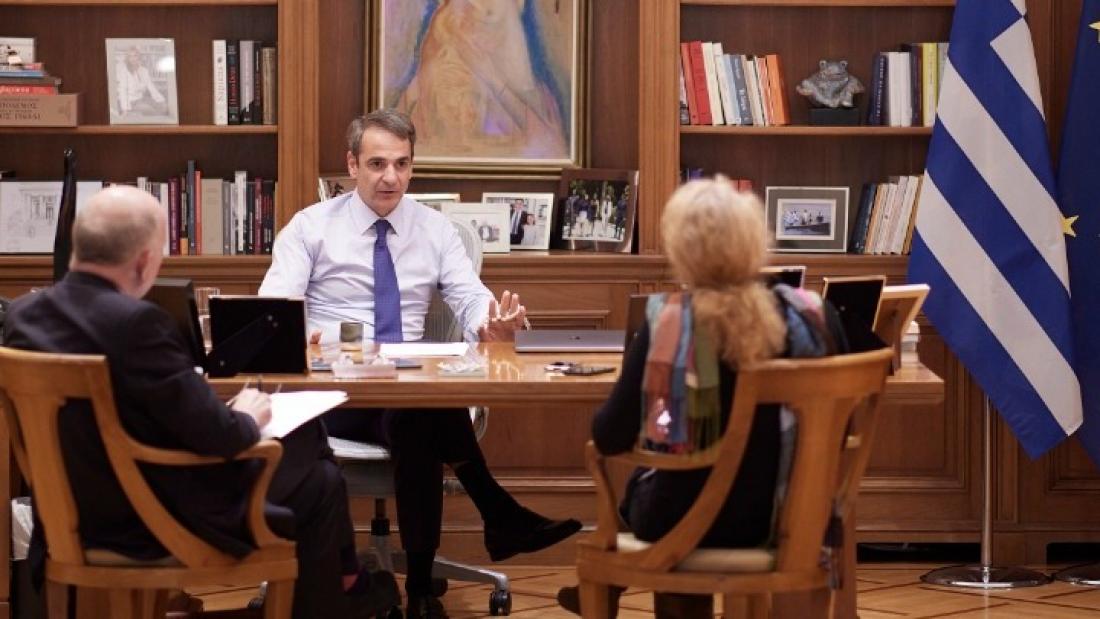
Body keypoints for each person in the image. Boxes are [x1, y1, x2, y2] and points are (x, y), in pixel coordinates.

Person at [2, 187, 400, 619]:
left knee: (317, 464)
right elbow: (220, 436)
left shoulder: (23, 316)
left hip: (72, 515)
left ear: (79, 245)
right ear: (144, 261)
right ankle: (339, 595)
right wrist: (246, 415)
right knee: (317, 468)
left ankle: (344, 592)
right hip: (150, 519)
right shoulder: (137, 324)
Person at [259, 109, 581, 619]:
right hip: (335, 394)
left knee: (421, 412)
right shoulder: (311, 227)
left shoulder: (434, 229)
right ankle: (458, 554)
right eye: (377, 164)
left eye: (402, 164)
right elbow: (273, 309)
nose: (391, 177)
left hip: (404, 390)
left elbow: (470, 297)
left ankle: (426, 585)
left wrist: (493, 325)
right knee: (428, 412)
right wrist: (301, 335)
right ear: (353, 165)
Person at [557, 177, 849, 617]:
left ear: (681, 249)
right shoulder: (814, 314)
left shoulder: (668, 321)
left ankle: (623, 589)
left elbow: (609, 436)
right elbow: (841, 427)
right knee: (669, 487)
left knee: (658, 487)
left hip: (684, 523)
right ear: (755, 240)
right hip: (792, 518)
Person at [395, 0, 568, 159]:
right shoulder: (433, 68)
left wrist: (489, 75)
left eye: (485, 18)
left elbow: (551, 149)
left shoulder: (521, 93)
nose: (469, 22)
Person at [115, 46, 168, 118]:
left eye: (135, 56)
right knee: (151, 111)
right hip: (129, 102)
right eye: (130, 56)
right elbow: (123, 91)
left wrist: (161, 100)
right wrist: (125, 109)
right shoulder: (124, 71)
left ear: (139, 57)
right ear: (128, 58)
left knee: (163, 108)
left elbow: (151, 87)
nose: (133, 59)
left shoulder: (144, 71)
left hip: (140, 99)